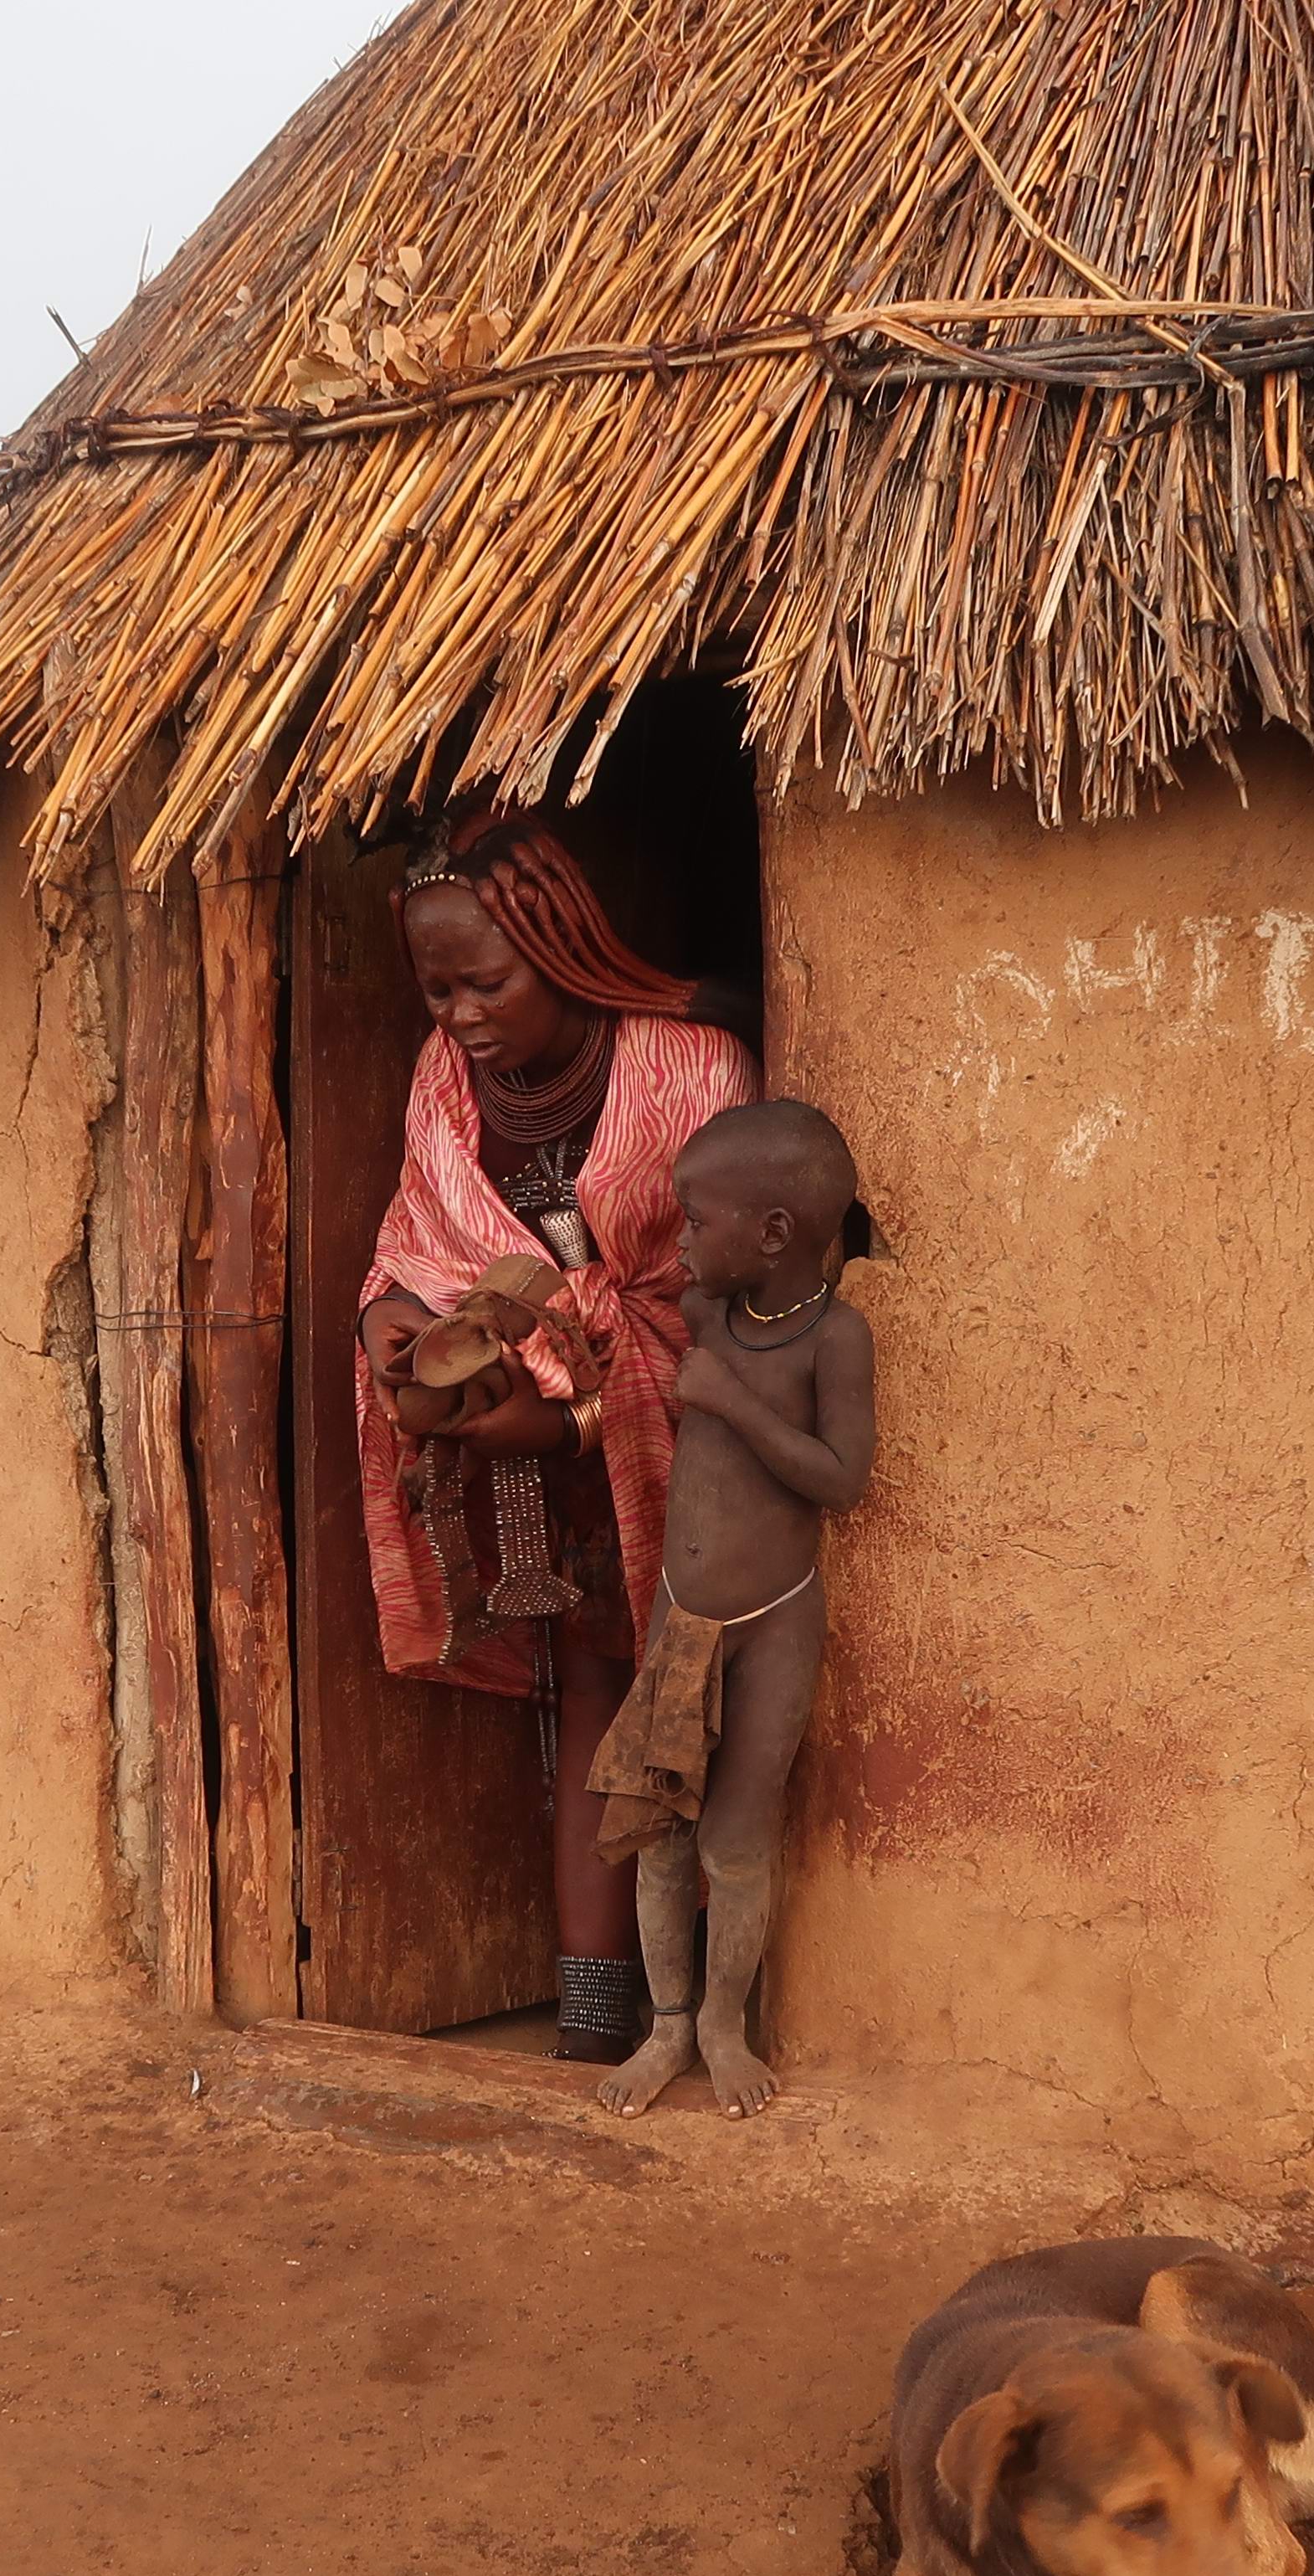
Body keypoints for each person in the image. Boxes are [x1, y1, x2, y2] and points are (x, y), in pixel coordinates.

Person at [356, 813, 758, 2059]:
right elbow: (418, 1233)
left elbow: (724, 1275)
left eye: (488, 981)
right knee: (592, 1683)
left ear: (561, 948)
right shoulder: (445, 1076)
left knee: (710, 1702)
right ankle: (596, 2008)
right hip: (538, 1449)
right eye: (438, 990)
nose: (463, 1015)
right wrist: (396, 1329)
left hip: (686, 1426)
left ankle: (719, 2007)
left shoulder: (693, 1068)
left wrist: (591, 1400)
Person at [585, 1100, 875, 2117]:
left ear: (775, 1235)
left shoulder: (834, 1341)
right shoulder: (708, 1314)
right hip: (682, 1623)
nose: (683, 1238)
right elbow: (623, 1283)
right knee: (662, 1828)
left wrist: (730, 1404)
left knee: (734, 1839)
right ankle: (669, 2028)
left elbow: (842, 1479)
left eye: (697, 1220)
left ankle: (724, 2025)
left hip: (775, 1625)